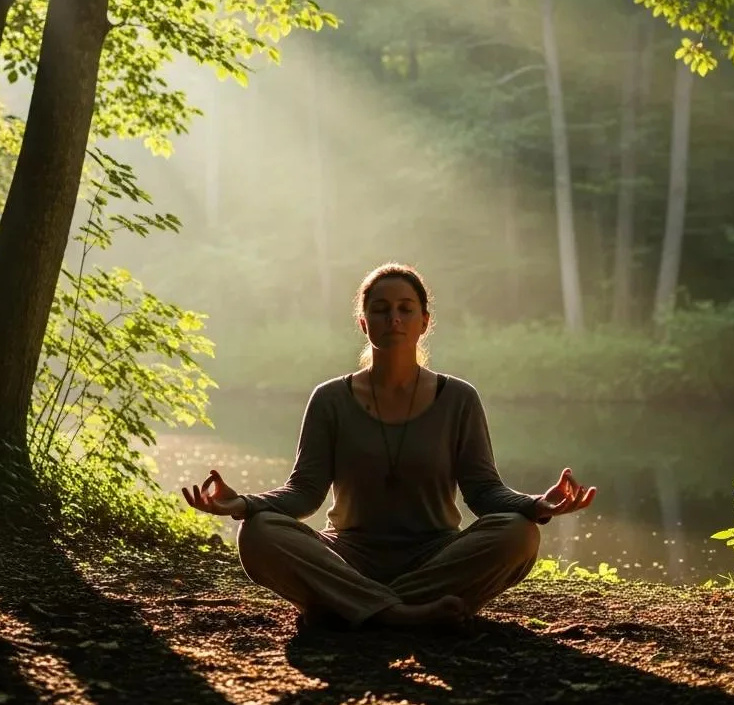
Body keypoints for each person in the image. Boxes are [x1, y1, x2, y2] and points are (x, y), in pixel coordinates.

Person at [182, 262, 596, 629]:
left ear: (424, 321)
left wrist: (536, 505)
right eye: (380, 309)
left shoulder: (458, 398)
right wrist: (243, 505)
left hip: (436, 555)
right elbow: (303, 493)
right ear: (363, 322)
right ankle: (402, 613)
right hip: (347, 553)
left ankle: (348, 604)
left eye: (405, 309)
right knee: (258, 534)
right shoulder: (330, 399)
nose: (393, 318)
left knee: (518, 533)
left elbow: (485, 492)